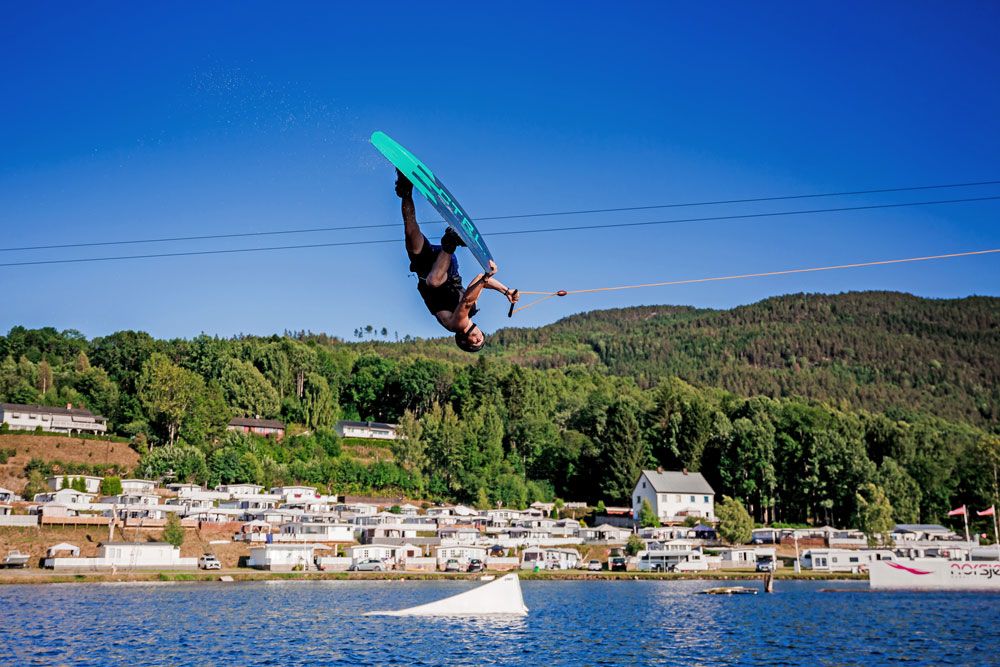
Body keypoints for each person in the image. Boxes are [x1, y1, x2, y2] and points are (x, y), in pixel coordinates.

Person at [395, 170, 518, 352]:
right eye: (481, 340)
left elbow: (467, 300)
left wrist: (486, 277)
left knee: (410, 230)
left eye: (475, 342)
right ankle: (450, 241)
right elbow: (479, 280)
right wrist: (505, 290)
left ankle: (405, 191)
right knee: (435, 280)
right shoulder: (471, 312)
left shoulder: (458, 325)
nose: (478, 339)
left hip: (426, 270)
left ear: (463, 340)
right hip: (445, 266)